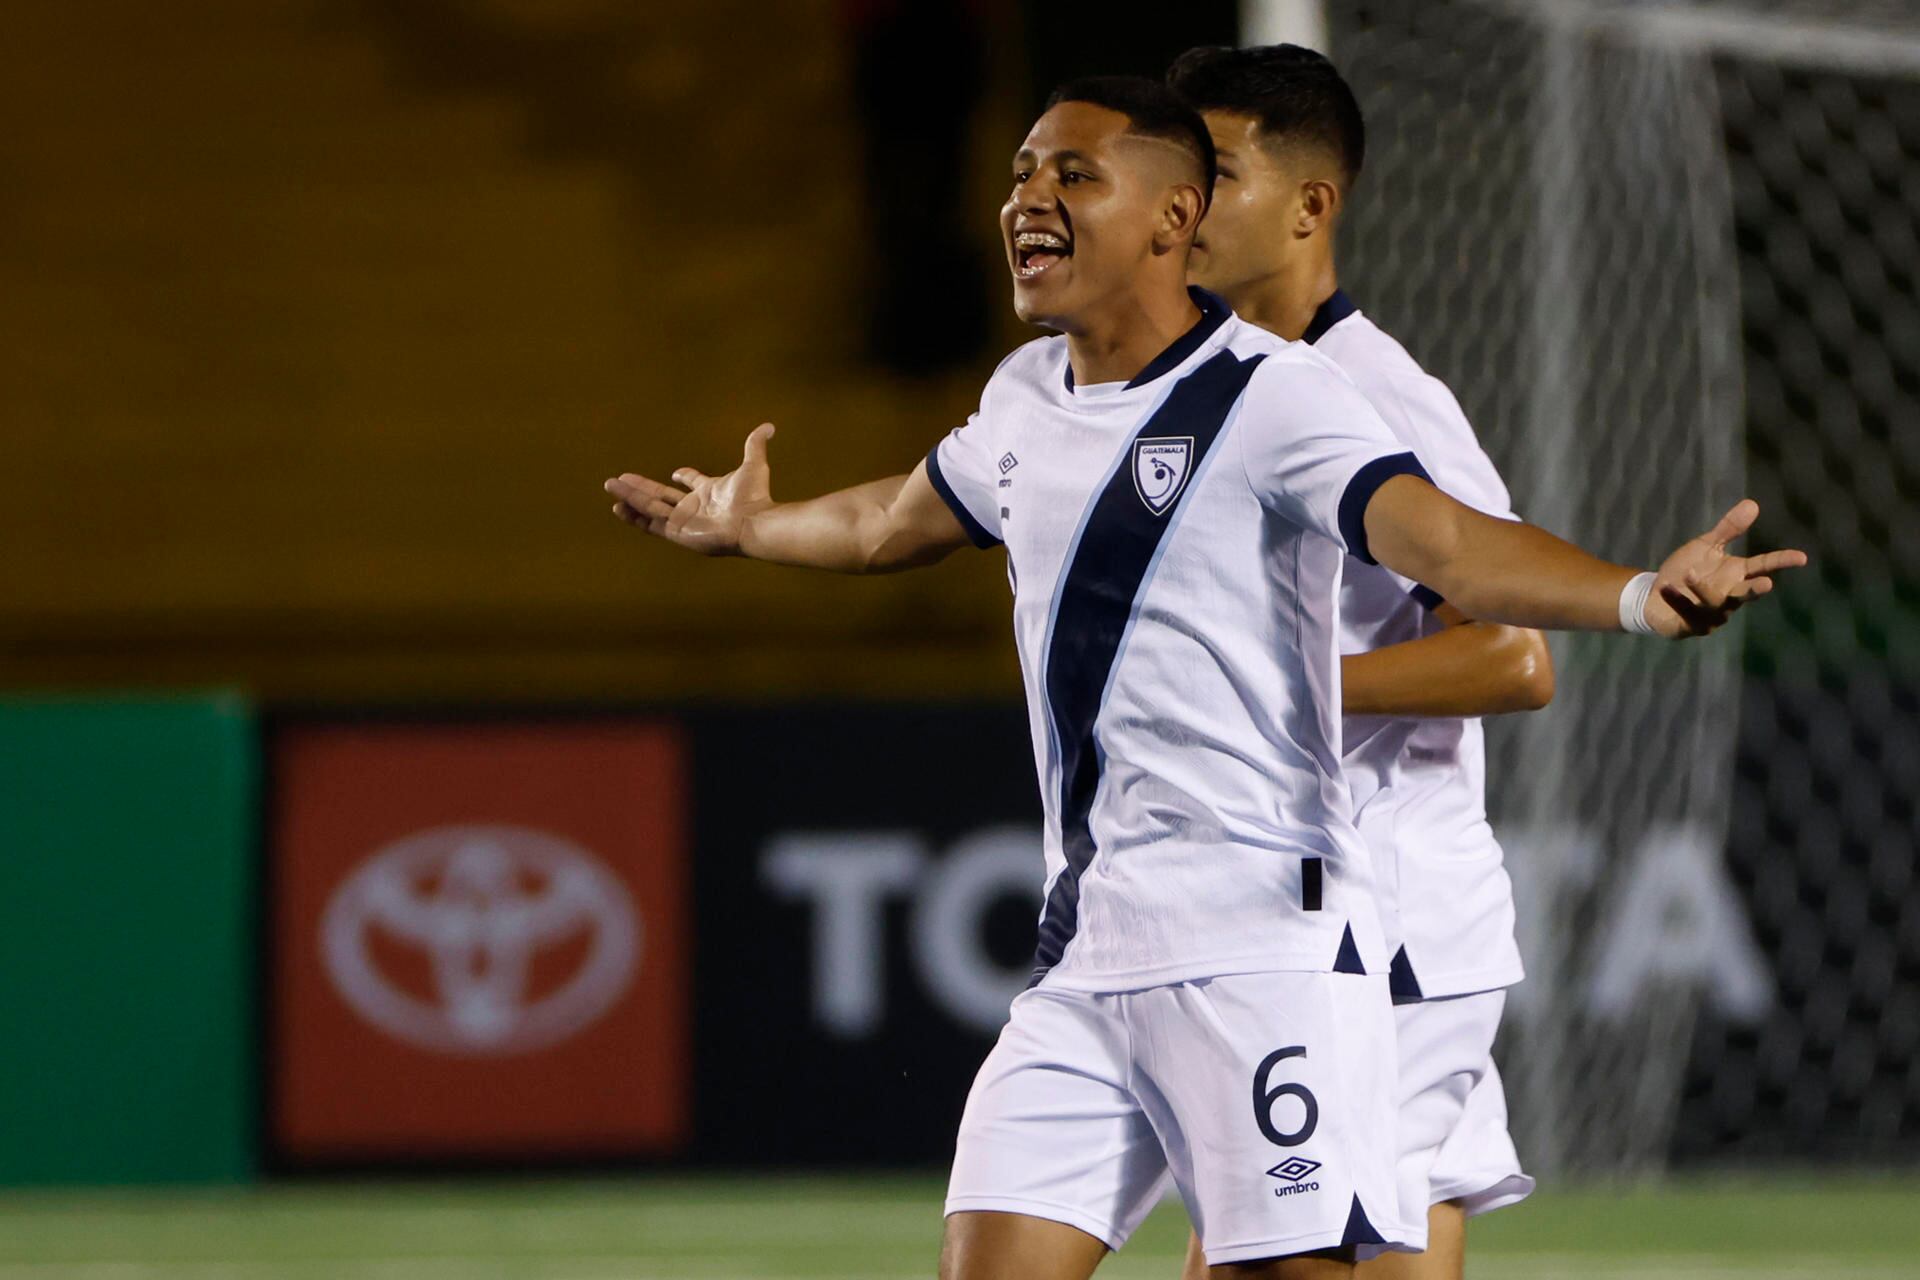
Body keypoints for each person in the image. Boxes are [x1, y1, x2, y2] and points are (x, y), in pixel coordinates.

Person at [604, 76, 1802, 1280]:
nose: (1029, 195)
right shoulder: (1023, 397)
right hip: (1087, 939)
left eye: (1074, 173)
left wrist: (1639, 593)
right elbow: (889, 520)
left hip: (1260, 944)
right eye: (1022, 170)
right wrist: (751, 527)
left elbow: (1444, 546)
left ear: (1174, 217)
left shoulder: (1276, 394)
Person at [1166, 42, 1549, 1280]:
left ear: (1310, 205)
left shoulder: (1374, 394)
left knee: (1252, 1254)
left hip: (1387, 927)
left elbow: (1510, 653)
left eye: (1215, 175)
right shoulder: (1221, 390)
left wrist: (1276, 693)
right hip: (1334, 920)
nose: (1184, 205)